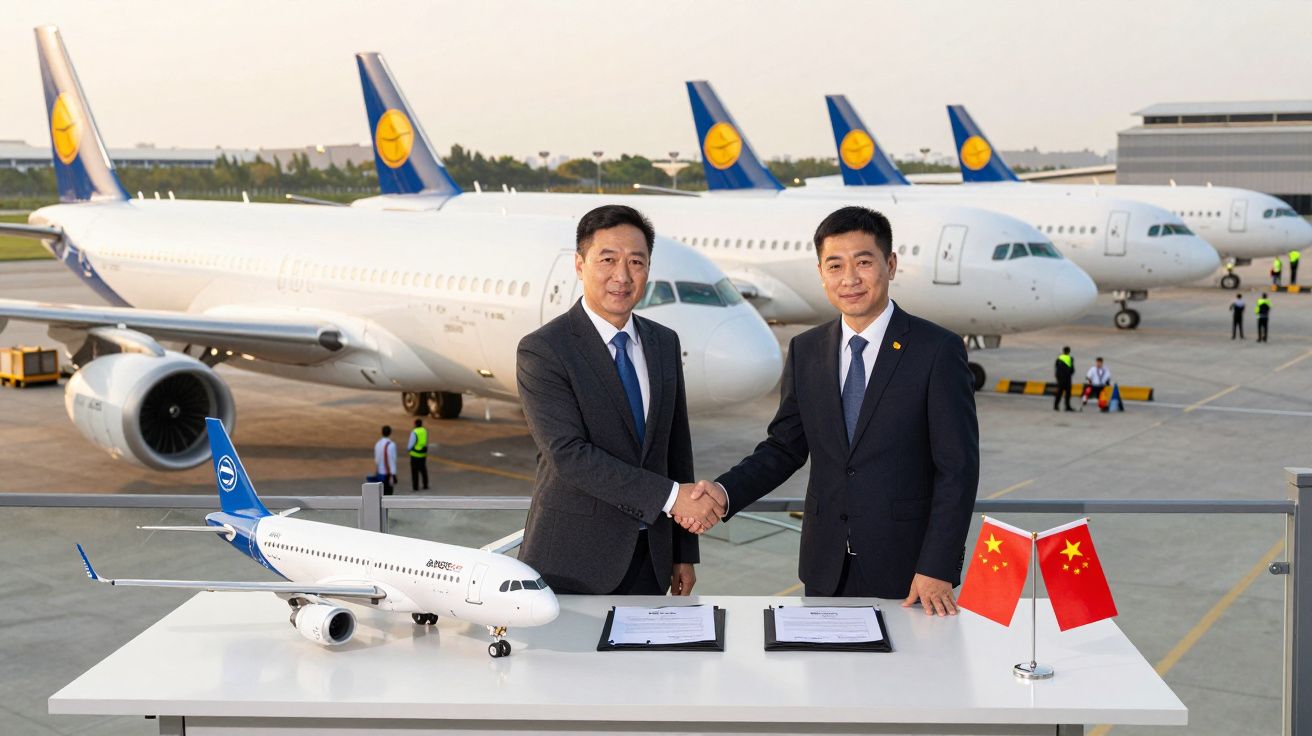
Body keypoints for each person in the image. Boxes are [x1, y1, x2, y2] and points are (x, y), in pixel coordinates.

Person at [682, 206, 978, 616]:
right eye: (835, 265)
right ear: (821, 273)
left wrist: (937, 565)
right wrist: (725, 492)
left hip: (910, 574)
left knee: (911, 679)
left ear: (890, 265)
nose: (850, 279)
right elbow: (784, 447)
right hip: (825, 568)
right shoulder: (807, 350)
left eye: (864, 262)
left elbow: (958, 470)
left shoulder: (936, 351)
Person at [516, 204, 721, 596]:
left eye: (636, 262)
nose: (622, 276)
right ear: (579, 265)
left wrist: (683, 552)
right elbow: (569, 455)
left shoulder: (663, 342)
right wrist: (674, 498)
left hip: (653, 557)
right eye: (607, 260)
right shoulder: (544, 349)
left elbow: (676, 449)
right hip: (572, 559)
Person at [373, 425, 397, 496]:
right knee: (388, 495)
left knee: (380, 495)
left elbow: (376, 460)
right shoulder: (391, 445)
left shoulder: (378, 444)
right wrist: (393, 475)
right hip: (388, 474)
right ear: (390, 433)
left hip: (380, 473)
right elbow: (392, 460)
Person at [407, 418, 430, 491]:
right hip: (423, 454)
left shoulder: (414, 432)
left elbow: (411, 444)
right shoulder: (424, 431)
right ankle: (425, 484)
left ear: (415, 424)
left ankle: (415, 486)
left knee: (414, 471)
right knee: (423, 470)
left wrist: (408, 449)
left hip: (415, 454)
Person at [1054, 346, 1075, 412]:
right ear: (1069, 351)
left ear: (1063, 351)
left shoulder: (1059, 358)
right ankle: (1067, 406)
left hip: (1059, 377)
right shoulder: (1070, 358)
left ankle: (1056, 406)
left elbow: (1056, 366)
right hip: (1067, 378)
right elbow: (1072, 370)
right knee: (1068, 393)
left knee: (1059, 392)